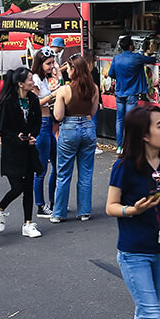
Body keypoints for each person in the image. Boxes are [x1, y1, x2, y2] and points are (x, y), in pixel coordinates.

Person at [106, 104, 160, 319]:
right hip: (134, 253)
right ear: (144, 135)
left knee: (144, 312)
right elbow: (111, 206)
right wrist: (132, 209)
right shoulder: (124, 166)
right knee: (151, 316)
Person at [0, 67, 44, 238]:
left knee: (29, 187)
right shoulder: (8, 102)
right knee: (17, 187)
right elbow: (4, 130)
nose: (33, 82)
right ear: (20, 83)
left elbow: (37, 123)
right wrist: (18, 137)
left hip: (29, 150)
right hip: (12, 152)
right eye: (30, 79)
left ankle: (28, 223)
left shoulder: (33, 100)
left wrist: (33, 136)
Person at [51, 55, 100, 223]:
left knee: (64, 173)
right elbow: (93, 112)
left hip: (69, 129)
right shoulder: (93, 88)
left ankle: (58, 212)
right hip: (87, 126)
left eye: (68, 68)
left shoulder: (64, 90)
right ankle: (84, 211)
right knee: (86, 172)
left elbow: (58, 116)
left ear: (73, 70)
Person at [108, 37, 158, 152]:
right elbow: (153, 59)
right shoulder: (137, 58)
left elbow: (111, 74)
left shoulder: (116, 58)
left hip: (120, 92)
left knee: (119, 119)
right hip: (132, 93)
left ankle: (120, 146)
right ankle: (128, 146)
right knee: (130, 119)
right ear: (131, 46)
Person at [30, 49, 59, 217]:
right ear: (40, 63)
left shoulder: (44, 79)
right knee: (41, 169)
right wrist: (52, 96)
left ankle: (54, 200)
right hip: (42, 124)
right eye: (48, 63)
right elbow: (35, 103)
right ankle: (40, 205)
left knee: (56, 163)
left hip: (48, 123)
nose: (51, 66)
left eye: (52, 62)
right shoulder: (35, 79)